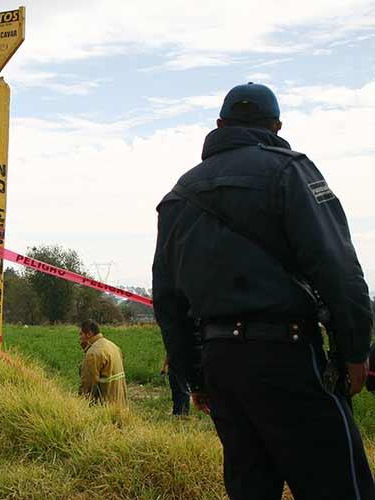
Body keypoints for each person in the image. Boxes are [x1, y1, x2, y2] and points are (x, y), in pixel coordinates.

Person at [152, 82, 374, 500]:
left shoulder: (177, 195)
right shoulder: (291, 171)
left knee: (250, 487)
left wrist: (195, 378)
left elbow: (167, 302)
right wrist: (356, 349)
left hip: (221, 367)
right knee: (341, 487)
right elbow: (338, 269)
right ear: (276, 126)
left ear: (219, 125)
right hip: (287, 356)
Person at [78, 319, 126, 406]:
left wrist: (80, 404)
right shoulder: (113, 346)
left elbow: (88, 386)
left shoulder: (93, 353)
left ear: (89, 334)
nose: (79, 338)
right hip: (121, 404)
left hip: (106, 407)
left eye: (81, 334)